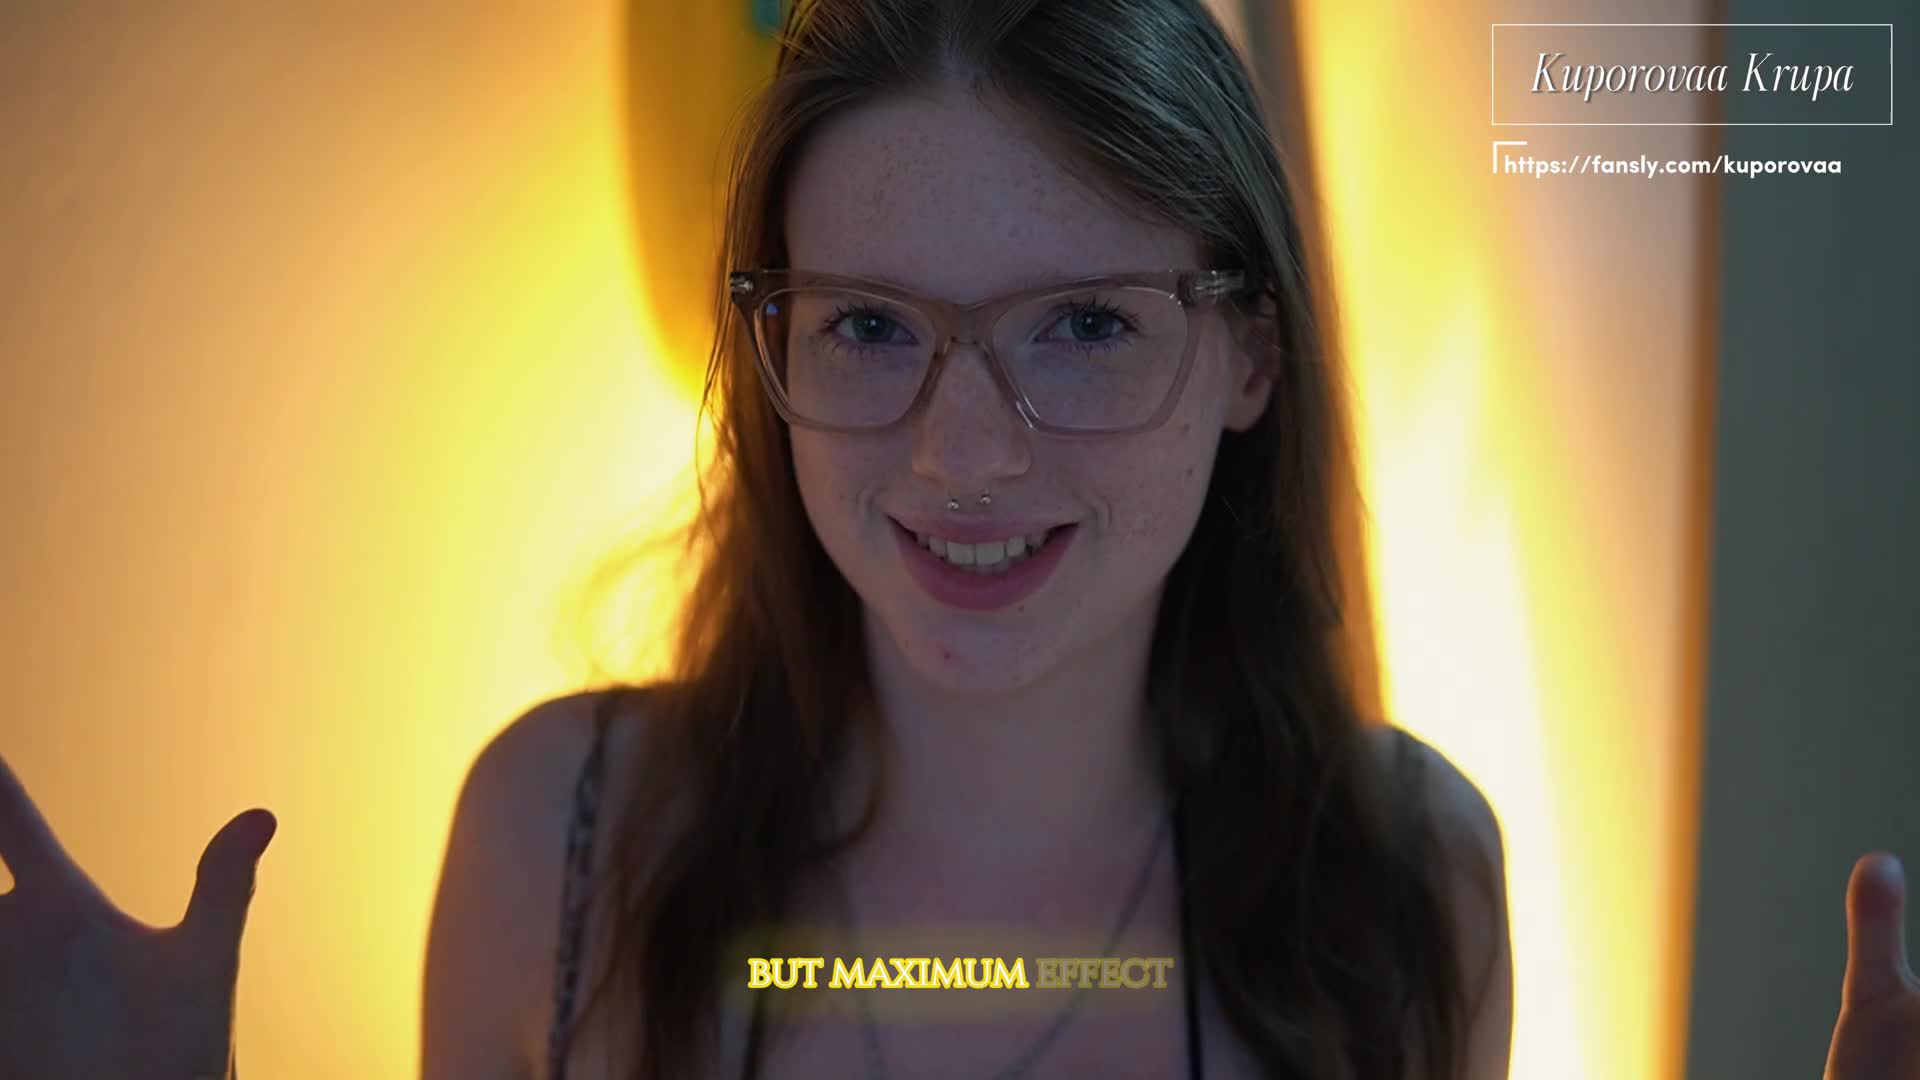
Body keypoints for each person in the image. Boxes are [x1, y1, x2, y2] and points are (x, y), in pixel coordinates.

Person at [0, 1, 1912, 1078]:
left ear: (1249, 351)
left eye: (1081, 322)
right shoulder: (561, 839)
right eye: (867, 325)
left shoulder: (1407, 880)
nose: (963, 451)